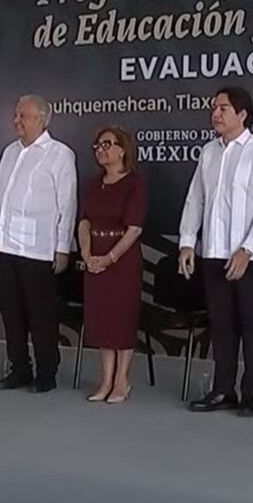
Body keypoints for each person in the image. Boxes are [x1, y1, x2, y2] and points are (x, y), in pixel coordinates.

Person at [178, 87, 253, 417]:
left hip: (247, 257)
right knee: (221, 325)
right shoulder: (208, 152)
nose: (216, 114)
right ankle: (224, 390)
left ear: (242, 114)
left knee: (250, 325)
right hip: (213, 251)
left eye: (223, 108)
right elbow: (196, 199)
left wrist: (247, 250)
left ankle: (251, 394)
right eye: (214, 108)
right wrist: (186, 242)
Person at [0, 94, 77, 393]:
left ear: (41, 119)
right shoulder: (9, 152)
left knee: (40, 313)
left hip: (39, 247)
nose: (16, 120)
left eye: (23, 115)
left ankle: (46, 371)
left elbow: (67, 202)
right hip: (7, 245)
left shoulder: (59, 153)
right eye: (16, 115)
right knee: (12, 311)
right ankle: (19, 367)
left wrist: (62, 247)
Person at [78, 126, 146, 404]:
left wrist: (110, 258)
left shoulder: (135, 183)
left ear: (122, 149)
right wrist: (86, 253)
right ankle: (106, 379)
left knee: (121, 318)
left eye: (107, 144)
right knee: (102, 318)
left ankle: (122, 380)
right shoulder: (93, 185)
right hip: (94, 256)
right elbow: (84, 220)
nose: (101, 150)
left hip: (122, 259)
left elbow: (134, 228)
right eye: (97, 146)